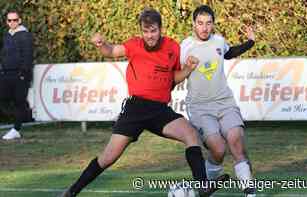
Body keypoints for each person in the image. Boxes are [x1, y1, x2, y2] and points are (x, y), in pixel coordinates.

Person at [59, 8, 228, 197]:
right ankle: (72, 191)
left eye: (153, 31)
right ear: (141, 31)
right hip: (135, 109)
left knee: (191, 135)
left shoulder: (172, 47)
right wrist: (101, 44)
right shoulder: (134, 45)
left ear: (160, 29)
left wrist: (188, 69)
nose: (150, 36)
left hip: (160, 110)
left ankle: (203, 186)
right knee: (108, 158)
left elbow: (173, 78)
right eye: (146, 31)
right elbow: (112, 51)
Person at [178, 5, 256, 197]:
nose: (204, 28)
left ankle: (250, 192)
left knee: (236, 140)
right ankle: (207, 185)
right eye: (200, 23)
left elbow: (229, 53)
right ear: (194, 24)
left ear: (213, 24)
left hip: (224, 102)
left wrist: (250, 42)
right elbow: (174, 70)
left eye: (208, 23)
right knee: (218, 149)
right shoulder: (185, 47)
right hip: (200, 108)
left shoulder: (219, 41)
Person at [1, 10, 33, 140]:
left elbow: (28, 55)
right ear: (7, 22)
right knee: (5, 98)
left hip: (20, 74)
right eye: (9, 20)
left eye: (15, 20)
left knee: (19, 101)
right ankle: (26, 113)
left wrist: (23, 73)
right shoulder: (7, 35)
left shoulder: (25, 35)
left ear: (19, 20)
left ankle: (16, 128)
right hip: (6, 74)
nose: (12, 22)